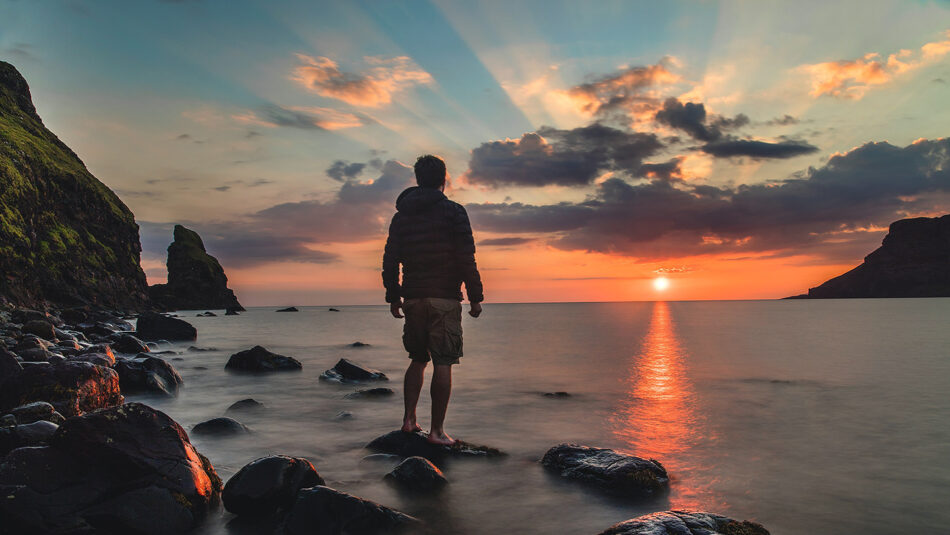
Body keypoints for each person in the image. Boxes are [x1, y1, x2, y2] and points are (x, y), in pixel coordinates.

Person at [382, 154, 484, 446]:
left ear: (417, 179)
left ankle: (409, 421)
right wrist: (475, 298)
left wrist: (393, 295)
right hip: (444, 299)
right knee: (443, 362)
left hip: (413, 297)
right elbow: (466, 256)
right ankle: (437, 432)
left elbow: (390, 259)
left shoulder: (402, 216)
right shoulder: (454, 212)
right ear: (444, 179)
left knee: (417, 359)